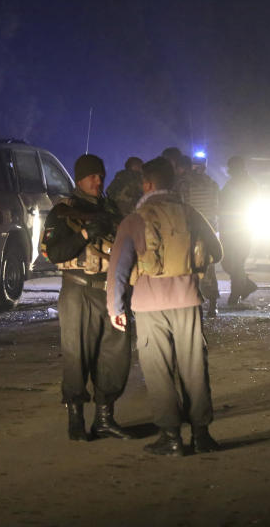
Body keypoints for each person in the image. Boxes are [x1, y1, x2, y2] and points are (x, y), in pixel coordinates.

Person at [106, 157, 223, 456]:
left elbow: (118, 267)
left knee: (157, 370)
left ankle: (171, 437)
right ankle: (201, 435)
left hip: (149, 305)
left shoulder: (135, 219)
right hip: (187, 300)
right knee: (194, 367)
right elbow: (217, 252)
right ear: (172, 182)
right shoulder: (190, 213)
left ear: (146, 184)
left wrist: (115, 308)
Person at [41, 154, 132, 441]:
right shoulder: (63, 211)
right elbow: (54, 254)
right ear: (79, 179)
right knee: (76, 356)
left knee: (115, 357)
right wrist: (84, 233)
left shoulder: (111, 208)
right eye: (92, 175)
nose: (98, 180)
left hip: (111, 290)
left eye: (101, 175)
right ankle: (76, 420)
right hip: (78, 290)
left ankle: (105, 418)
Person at [178, 156, 221, 317]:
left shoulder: (184, 184)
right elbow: (217, 208)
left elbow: (182, 206)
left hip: (193, 229)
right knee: (207, 266)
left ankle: (199, 302)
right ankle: (212, 303)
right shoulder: (212, 184)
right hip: (208, 228)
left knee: (191, 265)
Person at [219, 155, 258, 306]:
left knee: (236, 263)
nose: (230, 171)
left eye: (232, 168)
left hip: (241, 230)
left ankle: (235, 294)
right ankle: (247, 285)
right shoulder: (231, 184)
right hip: (230, 229)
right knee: (228, 263)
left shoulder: (249, 185)